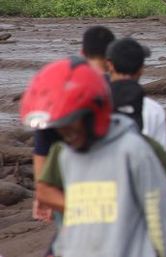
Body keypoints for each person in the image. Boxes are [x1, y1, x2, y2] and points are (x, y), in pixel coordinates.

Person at [23, 58, 166, 257]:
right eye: (60, 129)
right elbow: (67, 223)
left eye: (71, 125)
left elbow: (159, 217)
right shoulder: (65, 155)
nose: (66, 134)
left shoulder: (134, 150)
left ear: (93, 112)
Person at [31, 25, 115, 223]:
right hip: (110, 187)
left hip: (66, 190)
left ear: (82, 53)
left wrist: (42, 194)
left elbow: (41, 150)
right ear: (110, 57)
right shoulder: (113, 90)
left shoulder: (60, 91)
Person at [106, 37, 166, 150]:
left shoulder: (95, 104)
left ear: (110, 65)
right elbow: (160, 155)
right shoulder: (154, 110)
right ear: (141, 69)